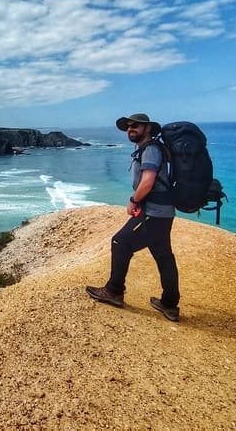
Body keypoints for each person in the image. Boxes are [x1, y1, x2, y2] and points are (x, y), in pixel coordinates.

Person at [86, 113, 180, 321]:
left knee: (120, 242)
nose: (131, 129)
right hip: (160, 211)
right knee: (163, 255)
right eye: (128, 126)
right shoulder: (148, 149)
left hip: (155, 213)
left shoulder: (151, 150)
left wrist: (134, 200)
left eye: (135, 125)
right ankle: (170, 304)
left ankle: (114, 291)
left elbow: (148, 181)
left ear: (148, 128)